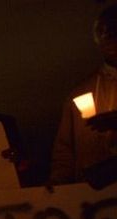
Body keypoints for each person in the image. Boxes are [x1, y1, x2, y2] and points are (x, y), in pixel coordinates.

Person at [50, 5, 117, 185]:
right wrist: (58, 185)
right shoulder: (80, 93)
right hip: (92, 197)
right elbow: (65, 149)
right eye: (102, 31)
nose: (108, 35)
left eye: (114, 28)